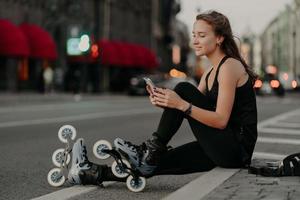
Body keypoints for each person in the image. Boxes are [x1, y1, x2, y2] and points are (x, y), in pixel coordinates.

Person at [68, 10, 258, 185]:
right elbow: (193, 109)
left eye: (202, 35)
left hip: (236, 150)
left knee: (182, 89)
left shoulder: (229, 67)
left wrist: (180, 104)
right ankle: (91, 172)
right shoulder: (210, 72)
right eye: (194, 35)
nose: (195, 41)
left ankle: (152, 148)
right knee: (154, 164)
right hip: (223, 145)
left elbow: (220, 120)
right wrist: (165, 101)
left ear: (219, 38)